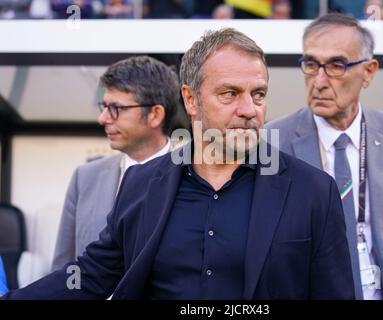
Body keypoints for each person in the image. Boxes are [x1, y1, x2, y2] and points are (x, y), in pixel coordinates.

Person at [4, 28, 354, 300]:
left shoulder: (313, 192)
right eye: (230, 94)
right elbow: (91, 274)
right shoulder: (141, 185)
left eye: (258, 94)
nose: (249, 109)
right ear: (191, 99)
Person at [266, 13, 383, 300]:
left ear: (369, 72)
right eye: (310, 64)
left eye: (336, 65)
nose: (319, 81)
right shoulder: (272, 143)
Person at [51, 55, 182, 271]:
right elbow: (63, 268)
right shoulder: (85, 178)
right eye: (103, 107)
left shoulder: (192, 177)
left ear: (155, 115)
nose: (102, 118)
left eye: (115, 108)